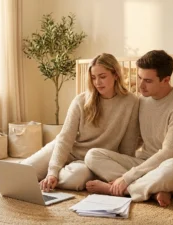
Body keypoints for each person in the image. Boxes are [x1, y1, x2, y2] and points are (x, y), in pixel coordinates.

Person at [84, 50, 173, 207]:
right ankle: (150, 190)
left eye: (147, 80)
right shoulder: (142, 101)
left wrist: (127, 177)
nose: (140, 85)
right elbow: (134, 139)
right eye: (139, 77)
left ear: (166, 80)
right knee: (93, 155)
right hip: (145, 162)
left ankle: (119, 189)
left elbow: (169, 154)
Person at [21, 53, 140, 192]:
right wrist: (53, 171)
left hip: (90, 161)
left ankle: (48, 179)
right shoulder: (81, 100)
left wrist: (114, 171)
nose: (97, 83)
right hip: (68, 149)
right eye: (93, 78)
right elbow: (65, 138)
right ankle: (50, 176)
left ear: (116, 75)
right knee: (21, 173)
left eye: (102, 77)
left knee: (75, 180)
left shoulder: (132, 102)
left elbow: (128, 146)